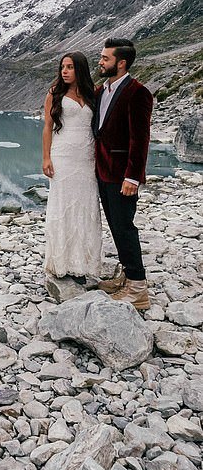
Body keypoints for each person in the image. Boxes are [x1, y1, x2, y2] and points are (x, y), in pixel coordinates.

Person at [92, 38, 153, 309]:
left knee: (125, 227)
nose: (100, 62)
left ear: (121, 63)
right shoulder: (101, 90)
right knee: (116, 226)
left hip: (121, 176)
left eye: (105, 58)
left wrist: (132, 177)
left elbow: (140, 140)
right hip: (103, 172)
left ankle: (138, 288)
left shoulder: (137, 92)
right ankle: (126, 276)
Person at [42, 52, 102, 282]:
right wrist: (46, 158)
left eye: (70, 67)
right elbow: (48, 127)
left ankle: (83, 262)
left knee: (86, 206)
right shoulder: (54, 93)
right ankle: (61, 262)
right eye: (62, 67)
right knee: (63, 205)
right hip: (63, 156)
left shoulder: (92, 93)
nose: (64, 71)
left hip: (86, 157)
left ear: (80, 69)